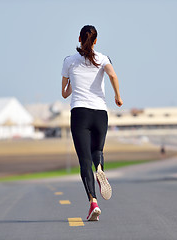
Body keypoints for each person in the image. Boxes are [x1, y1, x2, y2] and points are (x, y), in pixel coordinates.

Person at [61, 25, 123, 221]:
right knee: (98, 152)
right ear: (96, 40)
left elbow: (64, 93)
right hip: (100, 113)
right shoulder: (104, 58)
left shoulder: (69, 61)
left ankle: (93, 202)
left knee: (84, 161)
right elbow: (112, 75)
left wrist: (72, 81)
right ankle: (100, 171)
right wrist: (118, 96)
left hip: (80, 113)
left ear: (79, 38)